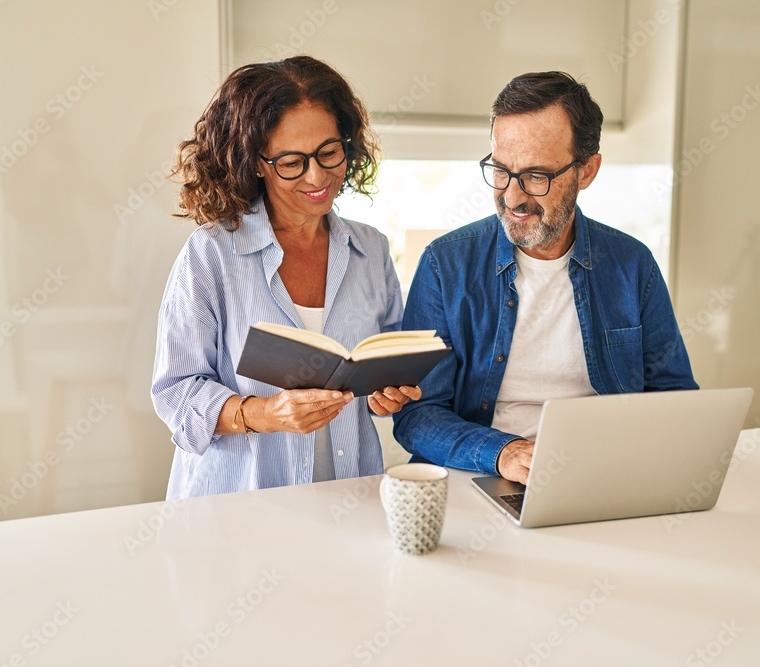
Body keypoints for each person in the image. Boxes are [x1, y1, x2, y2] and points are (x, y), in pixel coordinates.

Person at [392, 71, 698, 486]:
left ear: (586, 171)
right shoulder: (444, 266)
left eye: (536, 176)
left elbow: (674, 398)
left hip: (603, 476)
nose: (513, 197)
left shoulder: (632, 265)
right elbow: (417, 415)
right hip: (481, 474)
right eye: (501, 170)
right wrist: (502, 453)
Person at [152, 56, 420, 499]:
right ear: (256, 162)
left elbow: (388, 359)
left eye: (329, 152)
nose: (318, 176)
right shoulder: (212, 253)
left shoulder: (370, 249)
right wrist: (267, 414)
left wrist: (389, 392)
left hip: (348, 495)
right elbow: (176, 394)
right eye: (292, 162)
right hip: (237, 505)